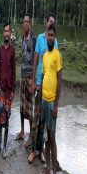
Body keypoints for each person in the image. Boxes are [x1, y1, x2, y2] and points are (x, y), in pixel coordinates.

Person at [28, 14, 58, 163]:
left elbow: (56, 67)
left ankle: (42, 151)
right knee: (36, 119)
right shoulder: (40, 39)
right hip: (39, 85)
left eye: (53, 22)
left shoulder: (55, 42)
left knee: (45, 123)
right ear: (46, 22)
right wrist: (33, 81)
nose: (51, 24)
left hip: (49, 90)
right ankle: (34, 150)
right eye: (50, 21)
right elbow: (35, 61)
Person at [38, 23, 62, 174]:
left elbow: (59, 80)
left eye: (52, 35)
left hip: (52, 102)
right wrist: (40, 103)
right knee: (46, 137)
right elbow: (43, 77)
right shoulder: (44, 56)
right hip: (44, 101)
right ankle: (46, 168)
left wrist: (56, 106)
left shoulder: (57, 55)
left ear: (55, 37)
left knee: (52, 138)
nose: (50, 38)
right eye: (48, 35)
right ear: (45, 36)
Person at [0, 22, 16, 159]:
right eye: (5, 31)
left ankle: (5, 147)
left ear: (10, 33)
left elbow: (14, 71)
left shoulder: (12, 50)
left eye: (8, 31)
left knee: (6, 119)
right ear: (3, 33)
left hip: (9, 91)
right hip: (1, 91)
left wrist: (13, 90)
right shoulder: (1, 50)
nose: (6, 33)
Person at [18, 16, 36, 147]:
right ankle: (22, 132)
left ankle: (30, 136)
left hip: (30, 77)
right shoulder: (22, 39)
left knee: (29, 107)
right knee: (22, 106)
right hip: (22, 76)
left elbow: (35, 60)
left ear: (30, 24)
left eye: (27, 22)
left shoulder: (33, 39)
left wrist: (34, 80)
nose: (25, 24)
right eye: (24, 22)